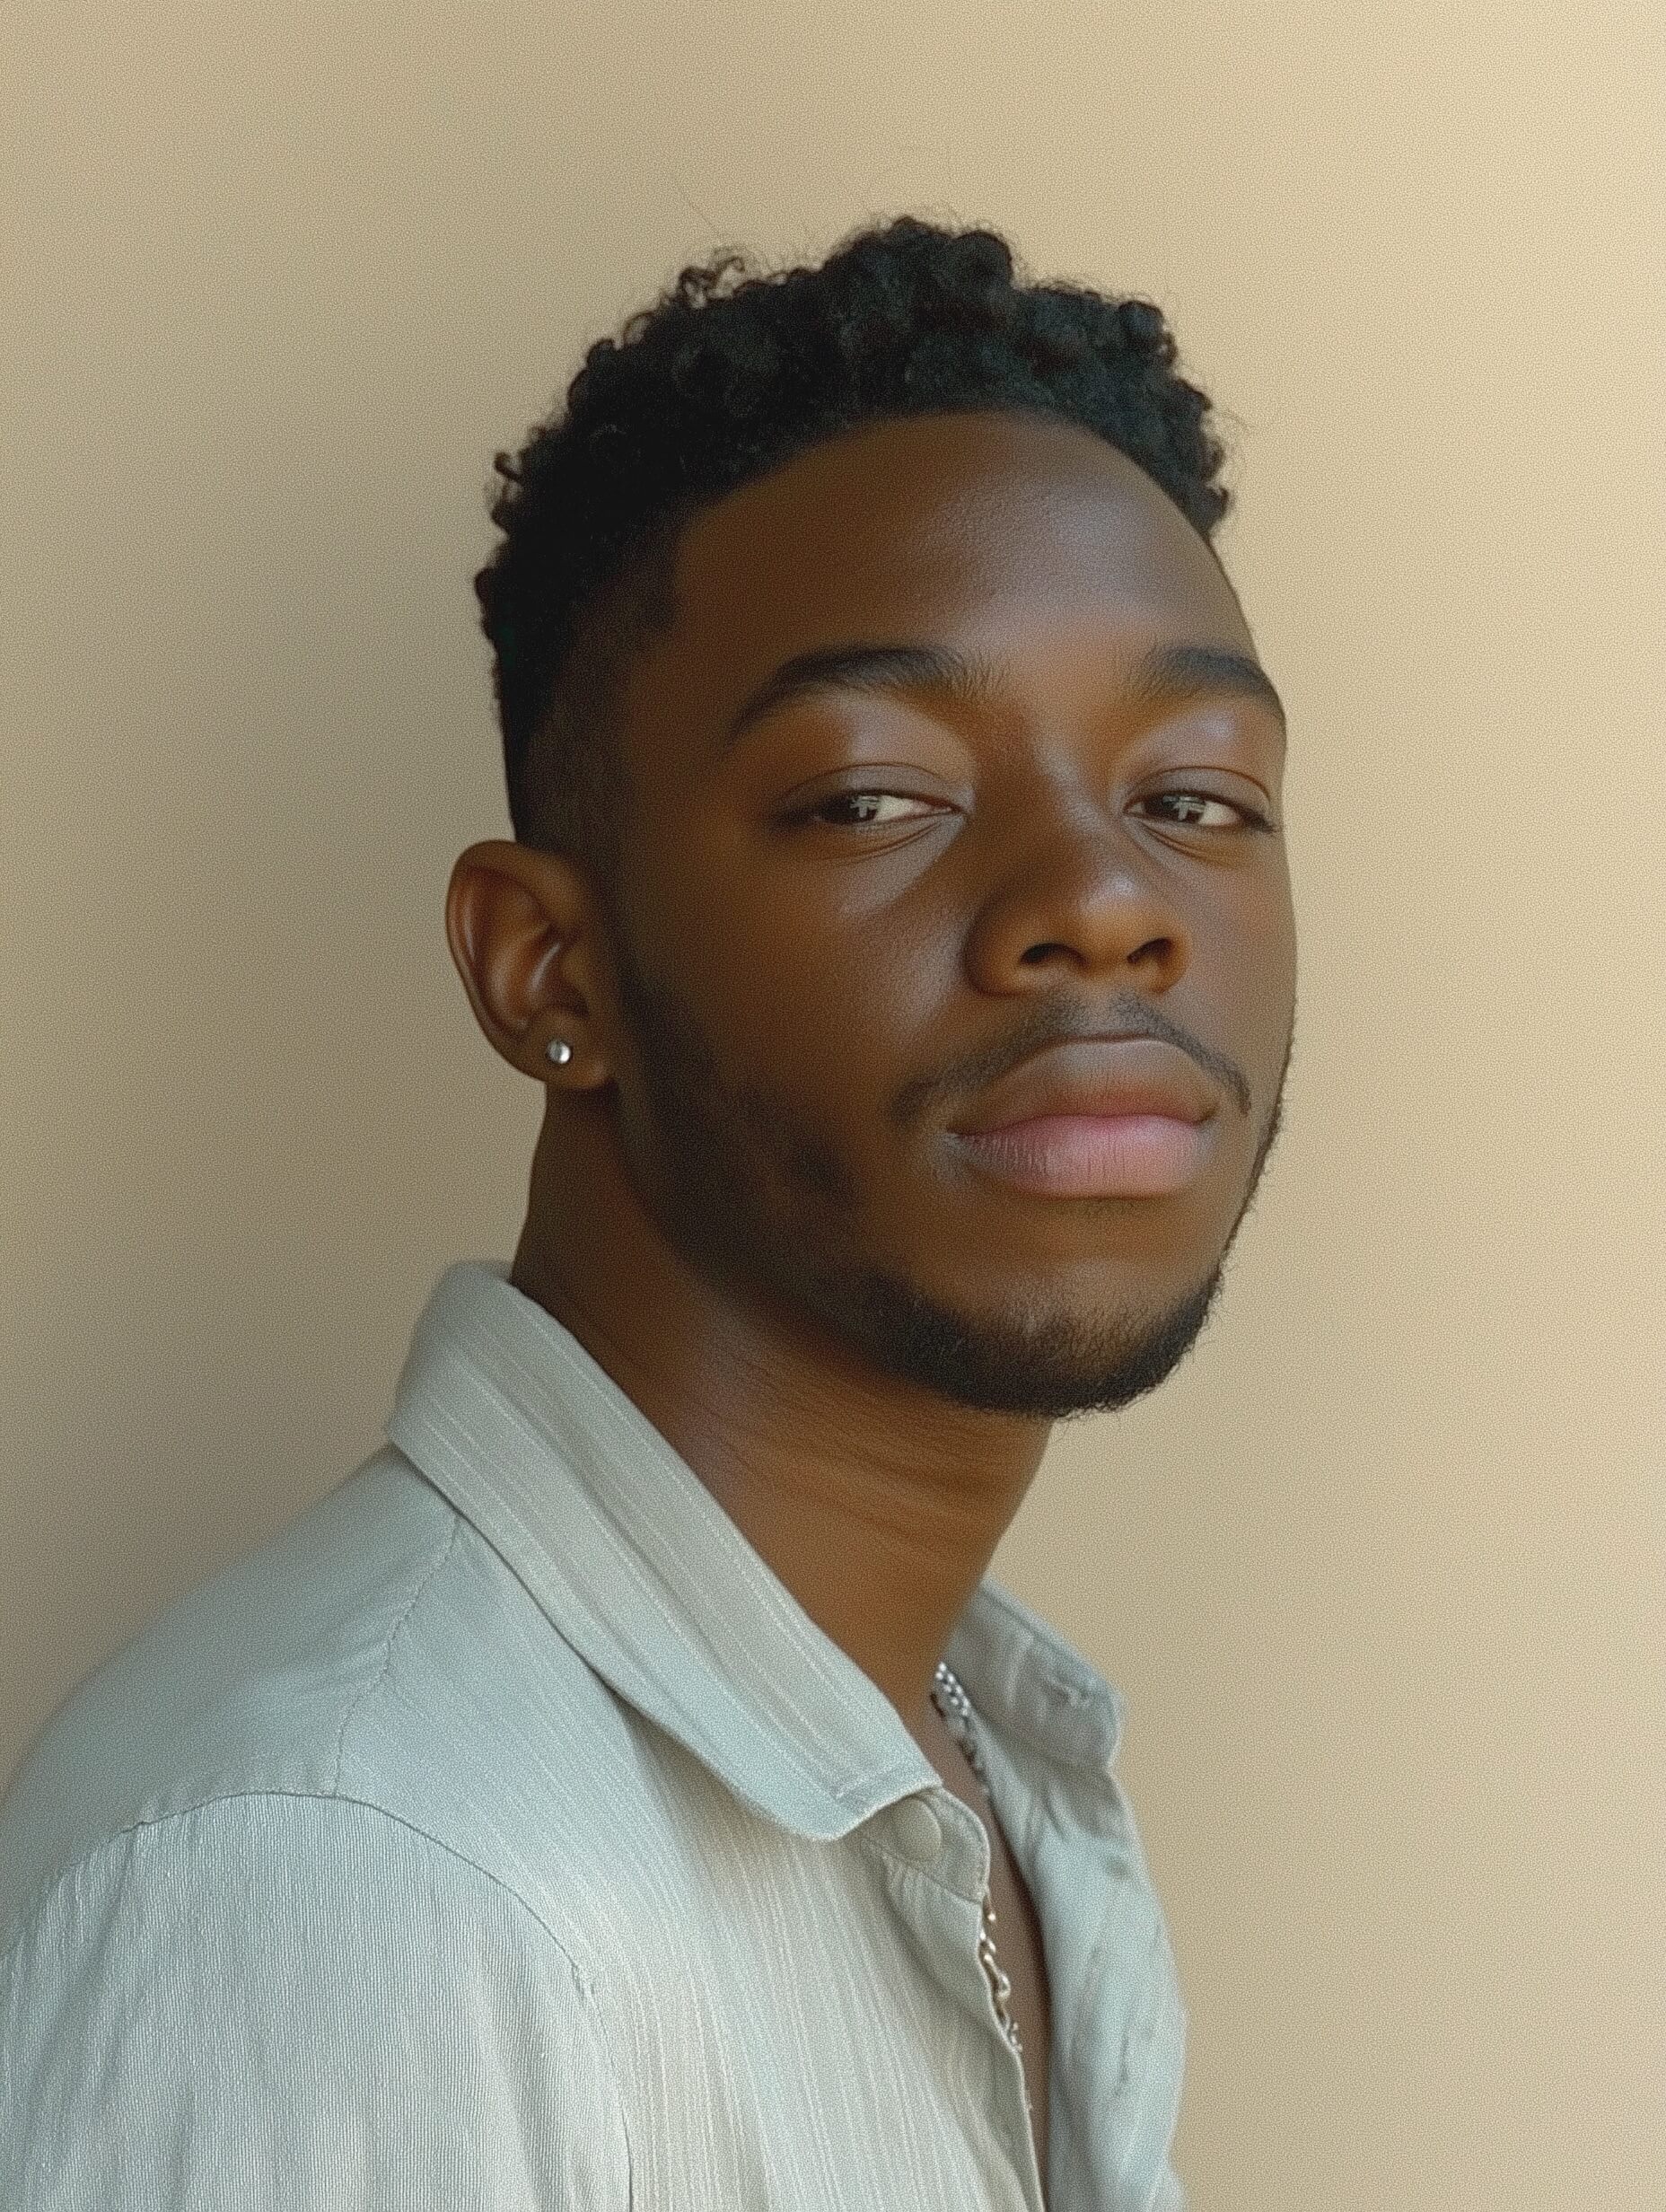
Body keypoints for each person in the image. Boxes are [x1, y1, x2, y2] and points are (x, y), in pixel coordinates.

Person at [0, 213, 1296, 2210]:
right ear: (549, 970)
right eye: (878, 792)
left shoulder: (992, 1776)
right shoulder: (359, 1878)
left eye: (1193, 798)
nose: (1103, 901)